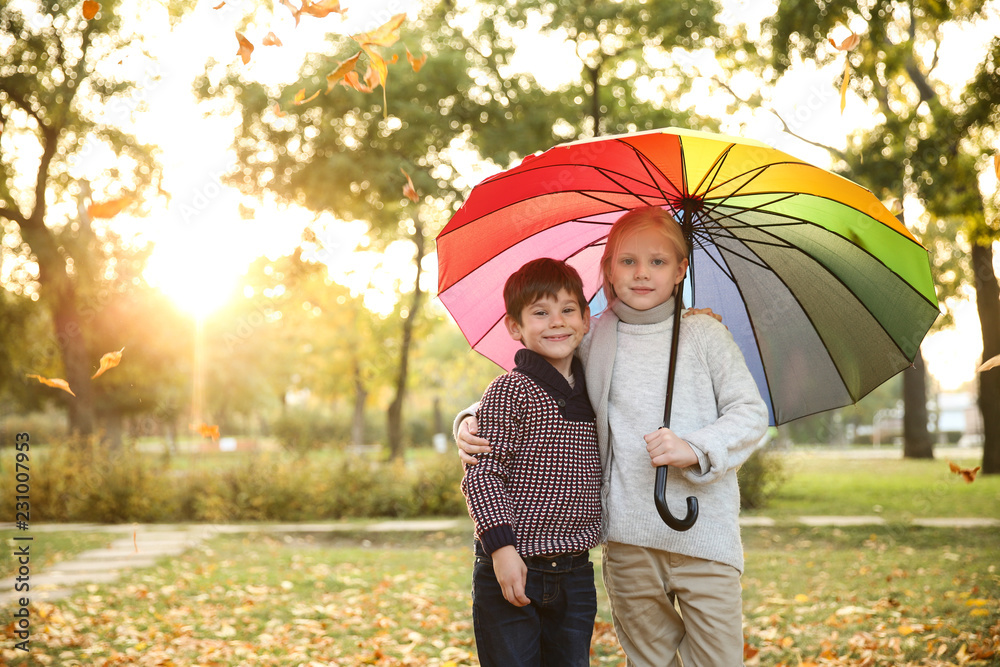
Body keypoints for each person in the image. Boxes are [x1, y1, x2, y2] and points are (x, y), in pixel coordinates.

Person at [457, 205, 769, 666]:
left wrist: (695, 446)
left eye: (658, 262)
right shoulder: (592, 335)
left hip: (704, 535)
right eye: (628, 261)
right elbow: (534, 380)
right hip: (629, 539)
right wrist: (468, 420)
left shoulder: (705, 334)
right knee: (648, 659)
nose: (642, 274)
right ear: (606, 270)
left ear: (681, 269)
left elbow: (749, 413)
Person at [462, 257, 602, 667]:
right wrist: (502, 549)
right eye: (540, 312)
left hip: (575, 575)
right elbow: (483, 475)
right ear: (515, 327)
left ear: (586, 319)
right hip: (511, 565)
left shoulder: (594, 388)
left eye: (567, 309)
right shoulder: (511, 390)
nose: (556, 321)